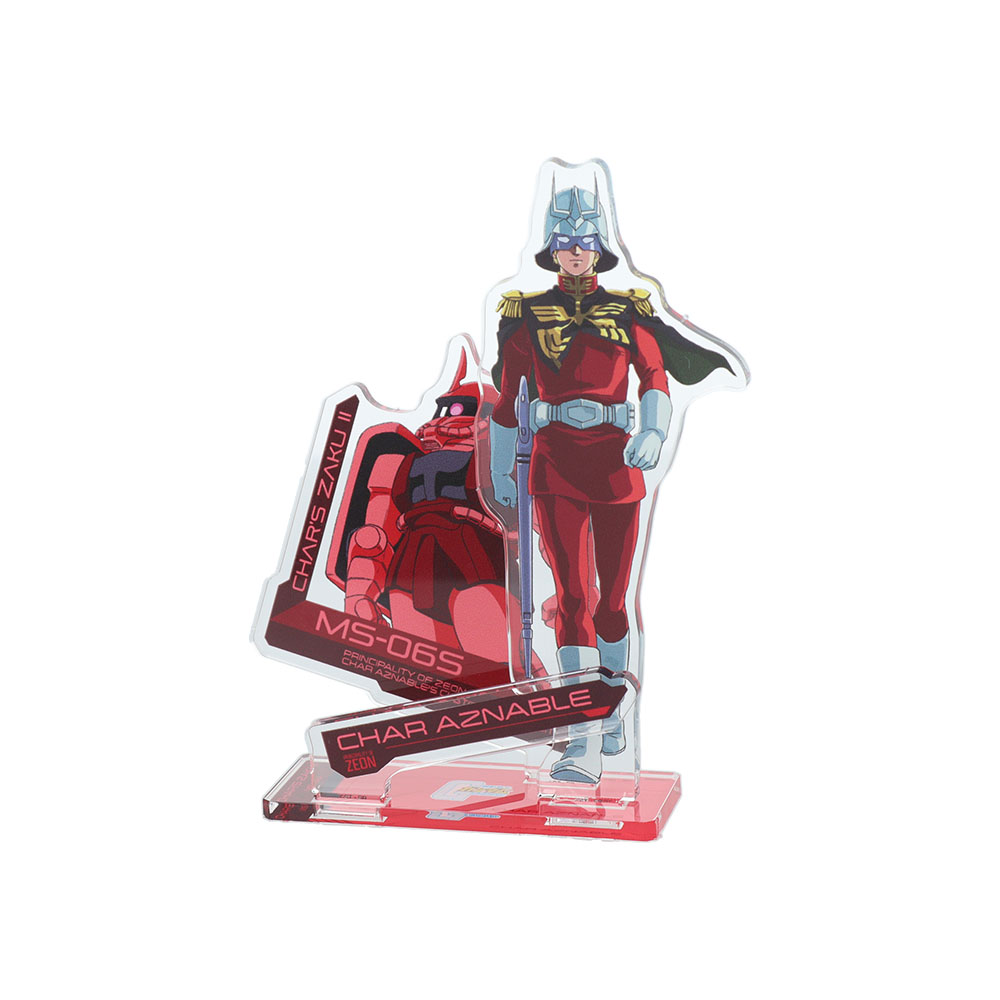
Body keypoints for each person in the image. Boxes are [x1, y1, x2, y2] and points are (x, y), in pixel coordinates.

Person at [489, 180, 732, 782]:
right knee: (575, 597)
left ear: (599, 248)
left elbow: (655, 375)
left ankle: (614, 706)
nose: (577, 252)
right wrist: (500, 467)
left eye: (586, 242)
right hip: (553, 467)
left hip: (617, 465)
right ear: (552, 247)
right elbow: (508, 400)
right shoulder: (526, 315)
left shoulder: (627, 311)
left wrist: (654, 430)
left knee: (615, 603)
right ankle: (580, 736)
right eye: (567, 242)